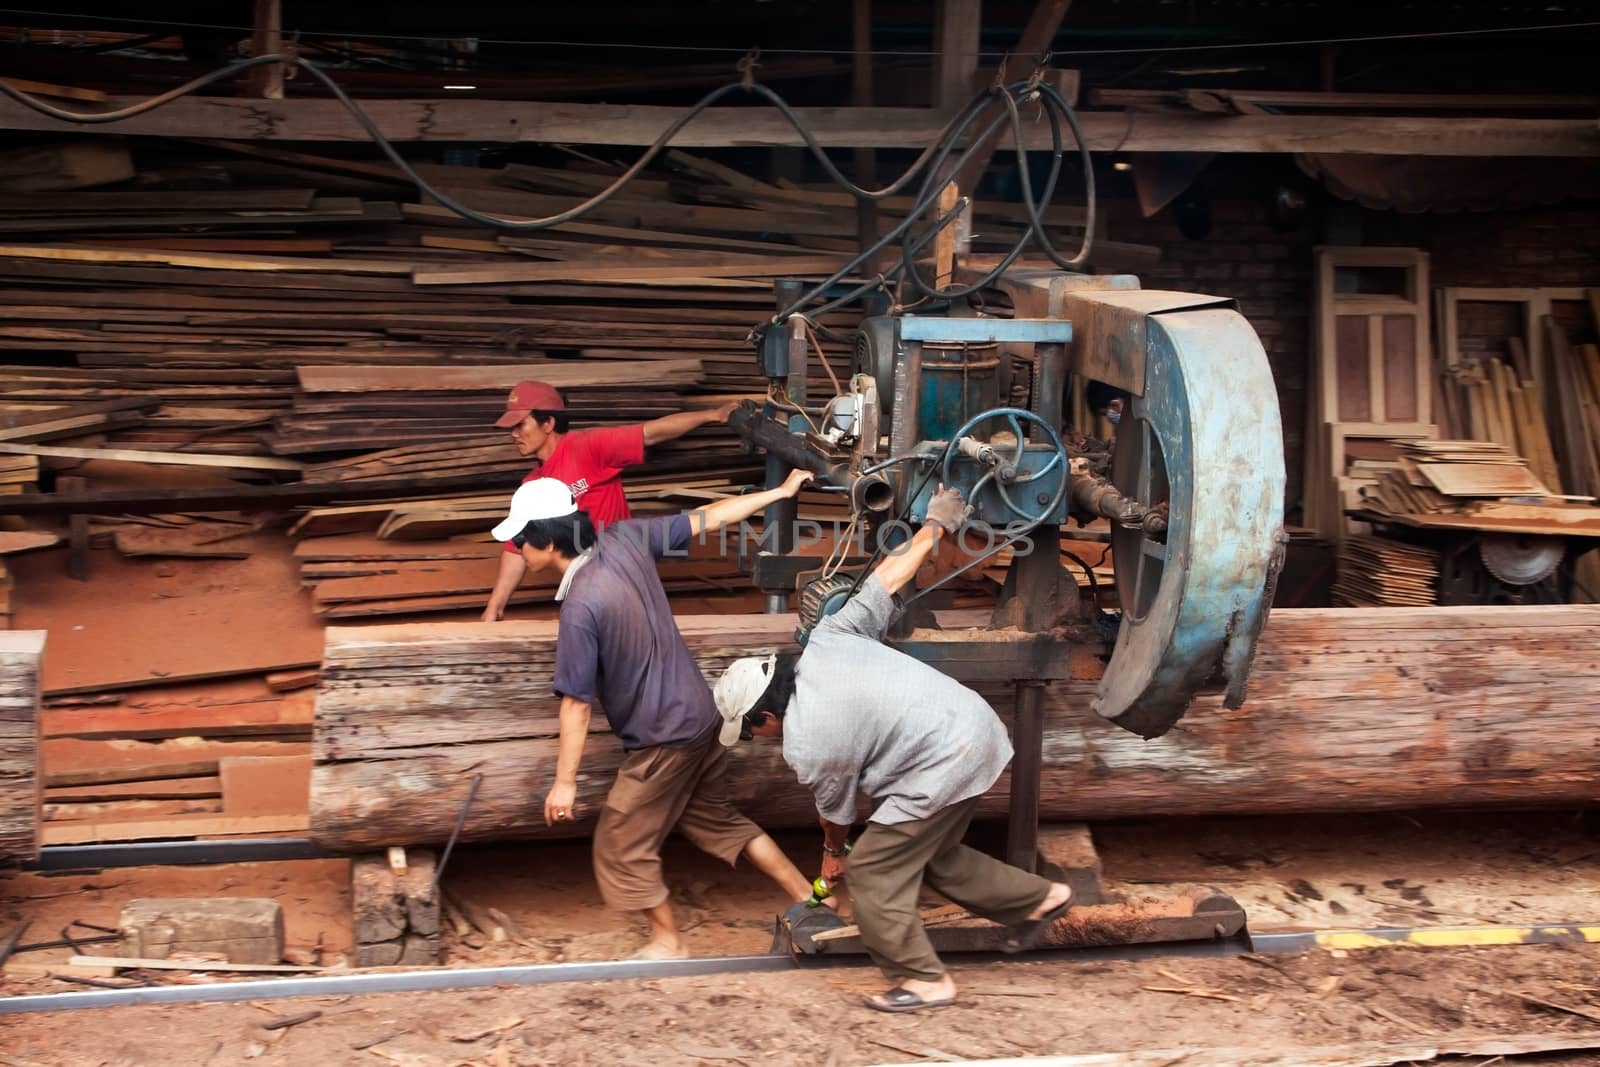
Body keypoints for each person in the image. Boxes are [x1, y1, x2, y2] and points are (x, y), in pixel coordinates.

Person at [712, 485, 1074, 1013]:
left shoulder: (809, 741)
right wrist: (935, 525)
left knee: (875, 870)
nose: (755, 741)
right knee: (933, 855)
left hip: (946, 759)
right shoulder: (829, 638)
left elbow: (837, 817)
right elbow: (888, 577)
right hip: (978, 732)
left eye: (749, 732)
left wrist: (834, 858)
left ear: (765, 717)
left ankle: (925, 981)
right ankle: (1042, 899)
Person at [488, 469, 819, 960]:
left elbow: (576, 704)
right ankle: (810, 901)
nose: (517, 549)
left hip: (664, 739)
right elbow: (707, 517)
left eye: (520, 540)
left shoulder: (581, 607)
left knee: (621, 843)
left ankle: (668, 941)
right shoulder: (625, 539)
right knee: (719, 821)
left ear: (544, 539)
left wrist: (565, 782)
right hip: (703, 717)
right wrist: (779, 492)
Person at [481, 379, 737, 621]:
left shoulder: (588, 446)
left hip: (622, 572)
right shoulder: (532, 485)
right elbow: (517, 547)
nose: (513, 434)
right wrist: (495, 606)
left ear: (547, 423)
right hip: (583, 585)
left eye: (520, 425)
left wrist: (713, 415)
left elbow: (651, 433)